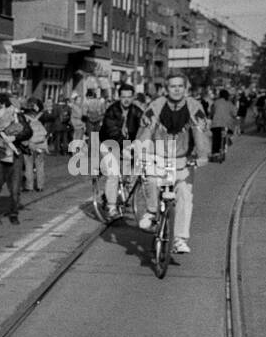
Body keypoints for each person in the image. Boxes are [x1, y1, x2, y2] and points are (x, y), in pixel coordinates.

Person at [137, 72, 210, 254]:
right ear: (166, 89)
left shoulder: (194, 106)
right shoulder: (156, 105)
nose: (176, 89)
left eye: (180, 86)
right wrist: (141, 150)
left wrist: (203, 154)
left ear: (185, 89)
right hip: (159, 156)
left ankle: (179, 238)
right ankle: (153, 212)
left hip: (182, 158)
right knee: (152, 180)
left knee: (185, 194)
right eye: (172, 86)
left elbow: (201, 132)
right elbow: (146, 130)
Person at [99, 84, 145, 220]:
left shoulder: (137, 112)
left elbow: (144, 128)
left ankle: (120, 195)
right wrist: (125, 147)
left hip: (127, 145)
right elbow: (111, 131)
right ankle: (112, 207)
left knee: (134, 171)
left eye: (129, 97)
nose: (126, 100)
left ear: (133, 97)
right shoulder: (112, 111)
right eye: (123, 97)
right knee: (113, 174)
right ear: (119, 97)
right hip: (109, 143)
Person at [0, 93, 28, 224]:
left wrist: (15, 137)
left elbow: (28, 132)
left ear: (4, 104)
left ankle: (13, 213)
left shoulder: (17, 116)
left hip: (15, 155)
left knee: (15, 188)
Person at [18, 96, 49, 194]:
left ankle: (29, 186)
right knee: (40, 165)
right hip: (41, 143)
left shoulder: (24, 117)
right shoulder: (42, 116)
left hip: (30, 143)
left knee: (28, 165)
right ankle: (40, 186)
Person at [209, 89, 236, 161]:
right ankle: (227, 139)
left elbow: (211, 112)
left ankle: (215, 153)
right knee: (228, 133)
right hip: (227, 125)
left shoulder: (215, 102)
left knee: (215, 138)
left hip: (216, 124)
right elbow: (234, 113)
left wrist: (211, 116)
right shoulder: (229, 103)